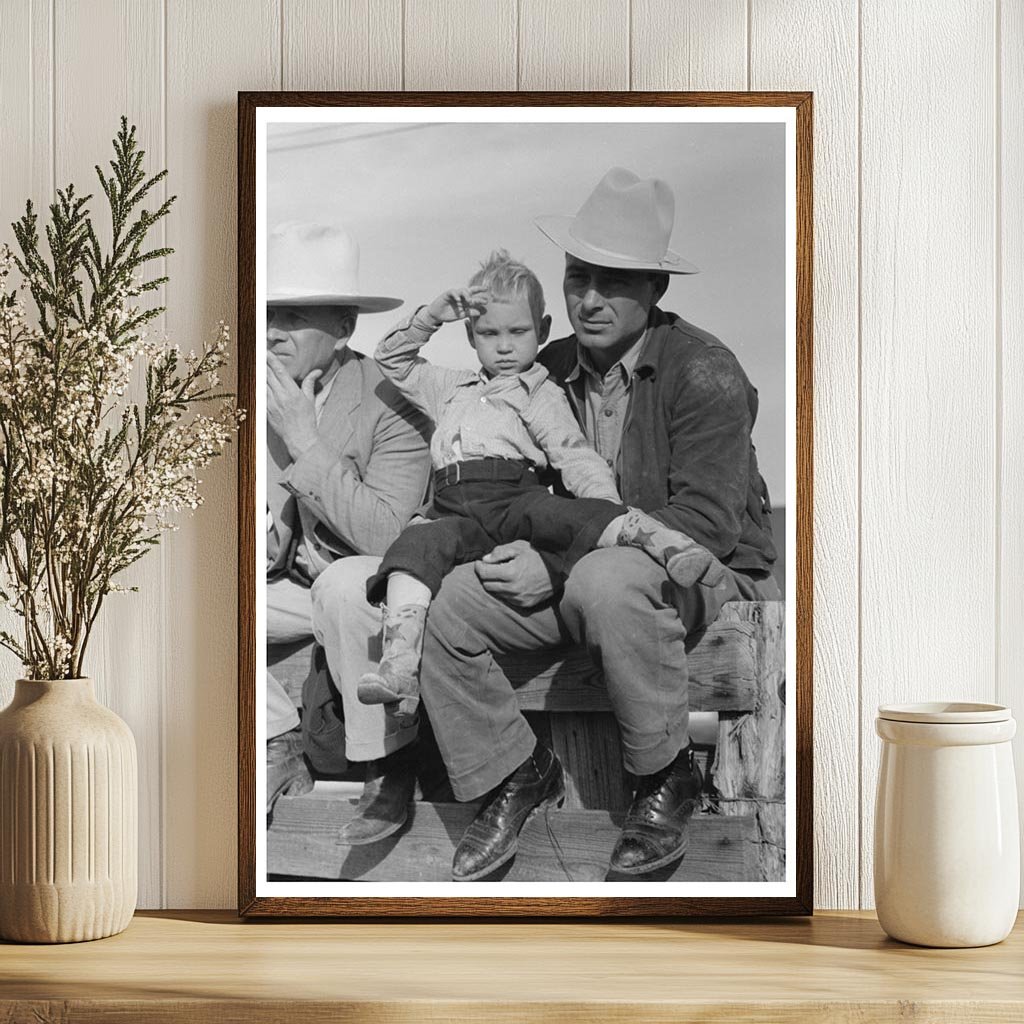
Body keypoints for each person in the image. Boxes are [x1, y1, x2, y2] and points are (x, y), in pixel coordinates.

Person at [314, 166, 779, 879]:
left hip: (695, 573)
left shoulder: (703, 371)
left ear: (655, 290)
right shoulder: (544, 362)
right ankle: (514, 771)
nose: (590, 298)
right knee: (447, 602)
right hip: (578, 561)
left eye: (614, 281)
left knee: (606, 578)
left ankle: (663, 775)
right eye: (577, 276)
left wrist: (552, 561)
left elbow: (708, 524)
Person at [356, 251, 725, 721]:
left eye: (518, 332)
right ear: (470, 335)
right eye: (489, 334)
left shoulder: (540, 392)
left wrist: (603, 507)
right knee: (410, 555)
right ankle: (398, 666)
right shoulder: (451, 387)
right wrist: (432, 317)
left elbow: (574, 455)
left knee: (567, 515)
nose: (504, 347)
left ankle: (665, 545)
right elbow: (392, 358)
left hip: (512, 497)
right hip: (451, 509)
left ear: (543, 332)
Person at [265, 221, 430, 836]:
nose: (276, 329)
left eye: (296, 316)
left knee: (343, 587)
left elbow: (389, 538)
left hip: (384, 588)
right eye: (271, 311)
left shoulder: (395, 401)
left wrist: (305, 440)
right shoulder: (258, 390)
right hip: (298, 588)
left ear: (344, 328)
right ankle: (278, 736)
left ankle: (388, 767)